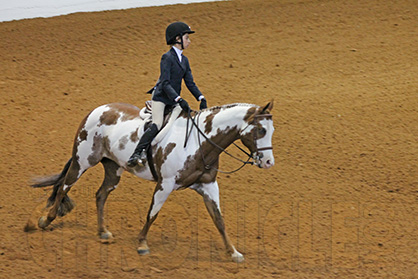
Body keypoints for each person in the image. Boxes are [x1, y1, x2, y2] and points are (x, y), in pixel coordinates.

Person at [127, 21, 208, 167]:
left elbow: (190, 82)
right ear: (177, 39)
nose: (189, 41)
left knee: (187, 117)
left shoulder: (184, 60)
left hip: (174, 99)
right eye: (186, 38)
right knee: (157, 124)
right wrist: (178, 98)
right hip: (161, 98)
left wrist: (201, 97)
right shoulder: (167, 57)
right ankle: (137, 153)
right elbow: (164, 83)